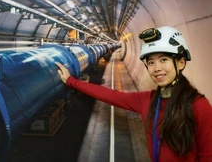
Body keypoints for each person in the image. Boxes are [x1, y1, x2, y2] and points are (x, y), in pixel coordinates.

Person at [55, 26, 212, 162]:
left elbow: (208, 157)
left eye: (164, 60)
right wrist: (71, 81)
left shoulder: (199, 106)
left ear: (181, 63)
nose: (156, 68)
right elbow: (110, 95)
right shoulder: (148, 100)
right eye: (151, 62)